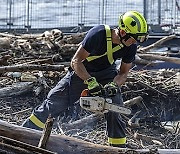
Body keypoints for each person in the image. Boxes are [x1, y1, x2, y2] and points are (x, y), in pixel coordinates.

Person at [22, 10, 148, 148]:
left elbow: (123, 73)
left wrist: (114, 85)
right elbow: (76, 61)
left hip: (106, 73)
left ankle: (117, 148)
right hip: (82, 71)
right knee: (54, 102)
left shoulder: (130, 47)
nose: (135, 42)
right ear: (123, 32)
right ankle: (22, 134)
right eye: (134, 38)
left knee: (115, 108)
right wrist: (90, 81)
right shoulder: (98, 34)